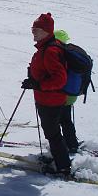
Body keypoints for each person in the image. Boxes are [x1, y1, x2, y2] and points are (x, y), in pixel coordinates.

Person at [21, 13, 71, 176]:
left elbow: (60, 79)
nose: (33, 32)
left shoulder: (50, 50)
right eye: (32, 29)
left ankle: (63, 167)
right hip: (48, 99)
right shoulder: (46, 47)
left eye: (37, 29)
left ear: (47, 31)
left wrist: (37, 84)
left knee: (53, 133)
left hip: (51, 101)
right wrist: (33, 79)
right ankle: (59, 159)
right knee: (52, 132)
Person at [54, 29, 80, 153]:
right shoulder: (70, 54)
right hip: (72, 93)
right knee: (66, 119)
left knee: (61, 120)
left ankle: (68, 144)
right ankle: (71, 142)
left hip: (62, 93)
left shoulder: (60, 54)